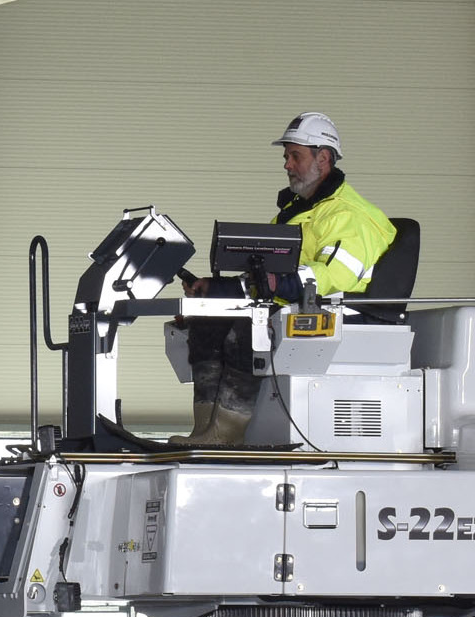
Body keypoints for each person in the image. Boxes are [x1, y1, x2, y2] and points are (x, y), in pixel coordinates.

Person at [169, 111, 398, 448]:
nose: (287, 165)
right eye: (287, 157)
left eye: (295, 156)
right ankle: (206, 431)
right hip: (296, 307)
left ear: (323, 158)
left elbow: (331, 276)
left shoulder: (350, 215)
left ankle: (226, 435)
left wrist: (277, 285)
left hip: (339, 313)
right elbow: (267, 276)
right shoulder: (299, 211)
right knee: (205, 322)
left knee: (246, 332)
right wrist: (216, 289)